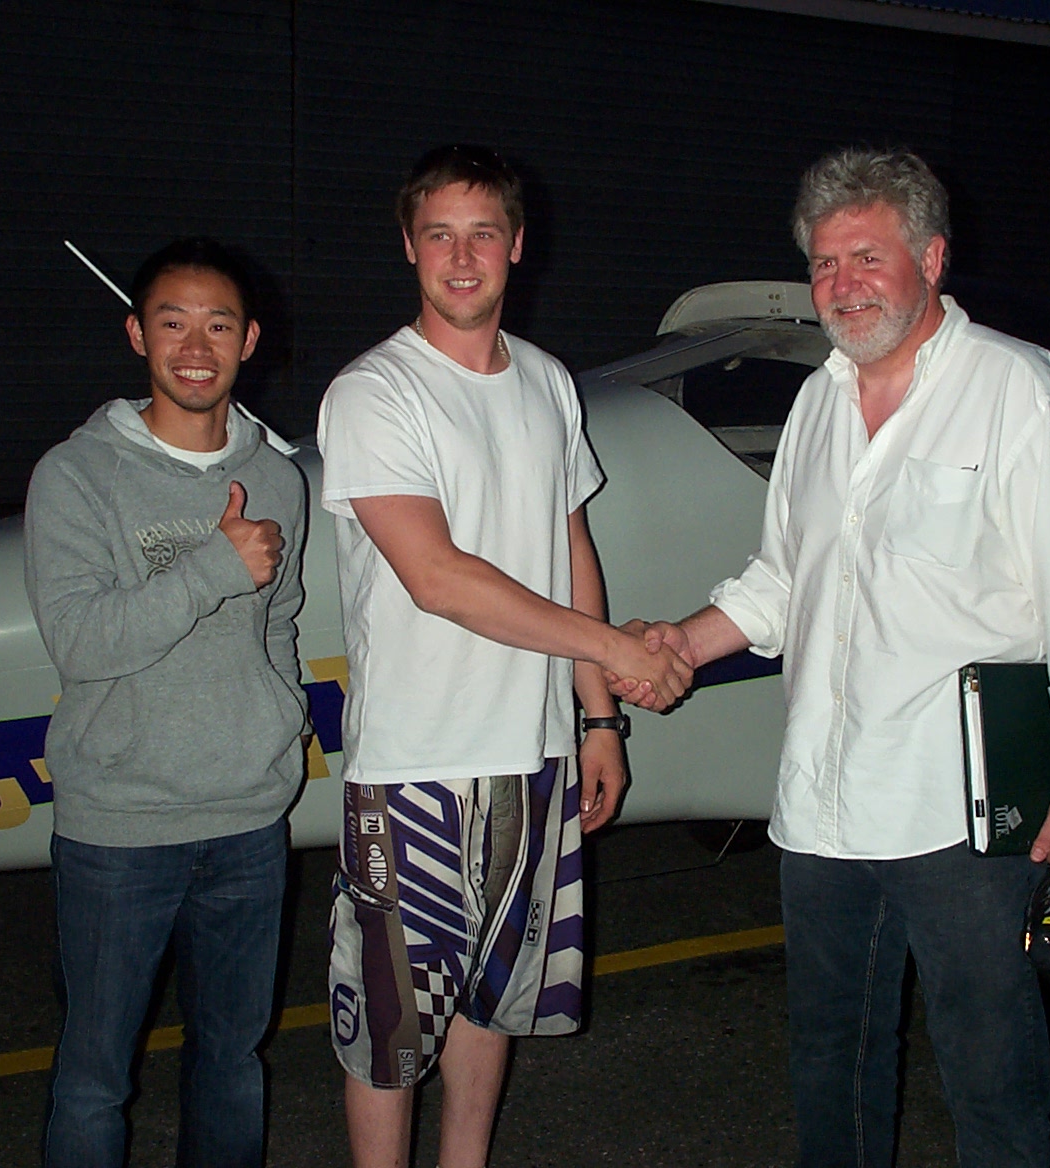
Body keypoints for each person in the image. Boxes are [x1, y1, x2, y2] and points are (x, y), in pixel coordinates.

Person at [615, 148, 1050, 1168]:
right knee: (830, 1054)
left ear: (932, 257)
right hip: (823, 802)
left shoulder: (1013, 388)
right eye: (822, 263)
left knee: (988, 1067)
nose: (840, 284)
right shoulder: (817, 402)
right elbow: (780, 580)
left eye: (866, 255)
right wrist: (682, 639)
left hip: (957, 808)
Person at [316, 144, 691, 1168]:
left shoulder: (547, 382)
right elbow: (436, 575)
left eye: (482, 231)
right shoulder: (372, 392)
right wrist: (617, 651)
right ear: (408, 246)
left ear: (516, 245)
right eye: (438, 233)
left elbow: (569, 543)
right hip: (411, 770)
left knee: (492, 1003)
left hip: (532, 759)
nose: (461, 255)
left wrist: (597, 717)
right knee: (389, 1035)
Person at [23, 237, 309, 1168]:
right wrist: (212, 570)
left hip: (248, 822)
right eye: (174, 322)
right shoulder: (75, 475)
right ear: (137, 334)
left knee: (232, 1059)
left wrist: (279, 720)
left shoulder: (278, 477)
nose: (196, 345)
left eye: (218, 324)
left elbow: (283, 622)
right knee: (95, 1077)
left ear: (250, 339)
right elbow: (80, 642)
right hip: (119, 829)